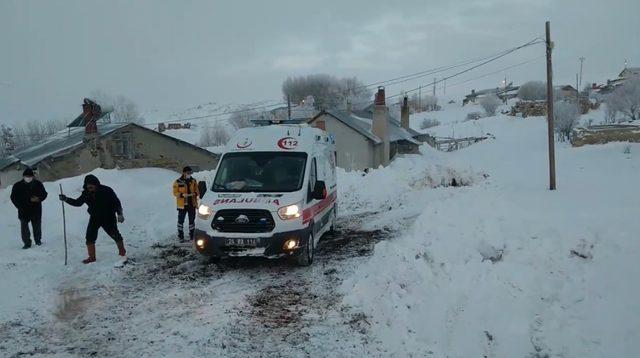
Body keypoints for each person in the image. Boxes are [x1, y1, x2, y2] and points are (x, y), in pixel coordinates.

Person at [59, 175, 127, 264]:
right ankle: (92, 257)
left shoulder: (107, 190)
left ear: (96, 184)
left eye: (91, 184)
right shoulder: (86, 193)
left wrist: (120, 214)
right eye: (87, 185)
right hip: (95, 217)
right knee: (90, 237)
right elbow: (78, 203)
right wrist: (66, 199)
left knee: (114, 234)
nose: (89, 186)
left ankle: (122, 252)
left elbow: (116, 202)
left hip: (108, 216)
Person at [10, 168, 48, 249]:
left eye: (30, 176)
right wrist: (19, 206)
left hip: (36, 209)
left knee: (37, 226)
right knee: (24, 228)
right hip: (23, 210)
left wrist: (38, 199)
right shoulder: (17, 185)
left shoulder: (38, 184)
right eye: (26, 176)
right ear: (23, 176)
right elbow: (13, 197)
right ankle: (27, 243)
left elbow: (44, 194)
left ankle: (38, 241)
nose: (28, 178)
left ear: (33, 176)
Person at [172, 166, 200, 242]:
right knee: (180, 221)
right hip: (182, 205)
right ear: (184, 173)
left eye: (190, 173)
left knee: (192, 221)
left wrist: (194, 193)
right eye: (188, 173)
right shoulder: (178, 181)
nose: (189, 174)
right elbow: (175, 192)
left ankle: (192, 236)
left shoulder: (193, 181)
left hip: (192, 204)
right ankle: (181, 237)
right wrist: (182, 195)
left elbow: (197, 191)